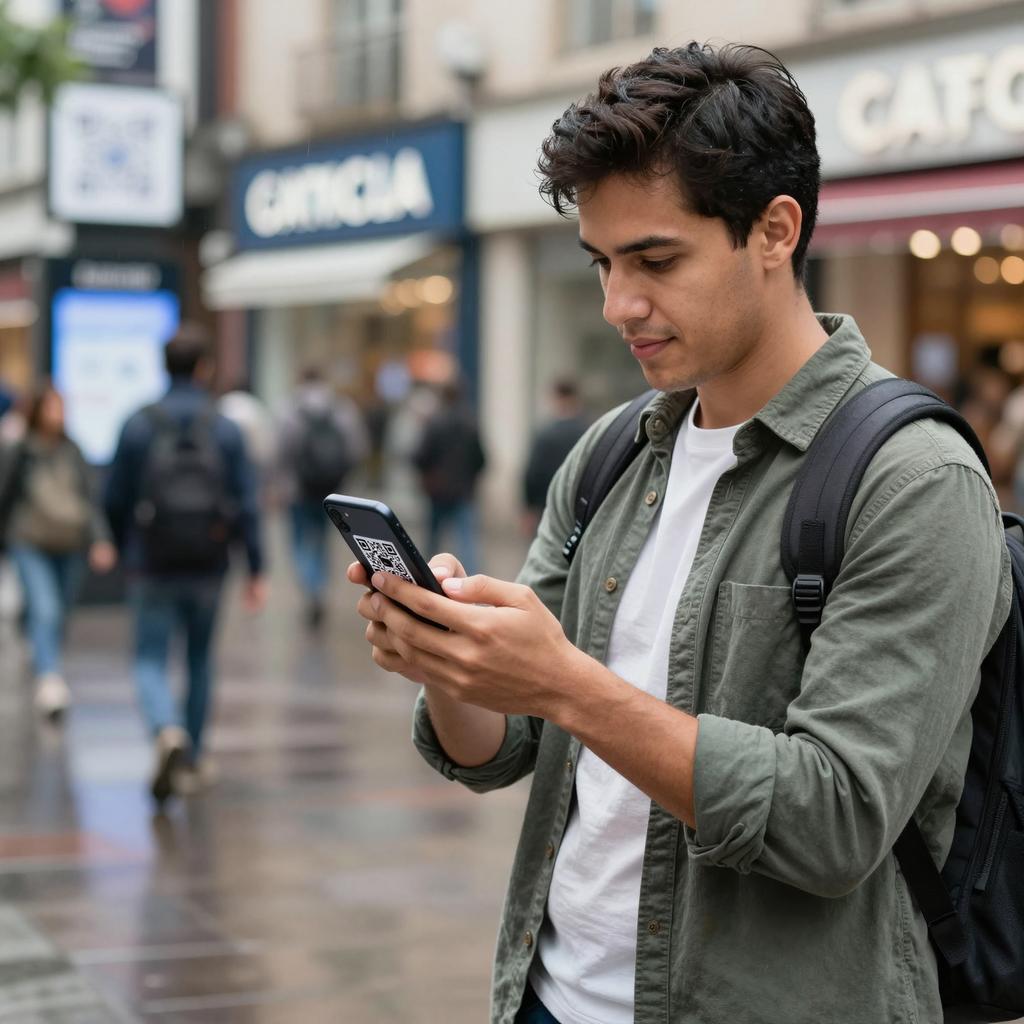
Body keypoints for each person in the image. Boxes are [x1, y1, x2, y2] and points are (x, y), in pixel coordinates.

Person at [347, 43, 1011, 1024]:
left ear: (775, 231)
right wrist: (455, 660)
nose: (620, 304)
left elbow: (834, 819)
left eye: (655, 259)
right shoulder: (614, 450)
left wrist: (563, 681)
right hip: (546, 995)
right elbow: (501, 748)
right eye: (603, 263)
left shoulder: (911, 477)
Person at [105, 324, 267, 807]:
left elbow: (114, 496)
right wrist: (256, 567)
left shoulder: (138, 423)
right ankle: (193, 756)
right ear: (204, 369)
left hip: (151, 561)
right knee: (199, 659)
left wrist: (122, 546)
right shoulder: (224, 426)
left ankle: (165, 729)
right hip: (209, 561)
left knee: (149, 657)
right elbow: (247, 502)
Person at [0, 382, 117, 718]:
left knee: (59, 611)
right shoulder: (20, 451)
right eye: (51, 407)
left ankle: (42, 652)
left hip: (69, 542)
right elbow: (5, 495)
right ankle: (49, 678)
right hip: (29, 541)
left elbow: (89, 499)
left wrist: (100, 539)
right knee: (46, 607)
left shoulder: (72, 450)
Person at [277, 367, 369, 629]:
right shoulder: (342, 409)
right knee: (322, 541)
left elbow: (280, 452)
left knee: (298, 541)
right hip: (331, 491)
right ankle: (319, 586)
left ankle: (310, 585)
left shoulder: (289, 409)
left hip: (296, 490)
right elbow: (357, 450)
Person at [412, 378, 487, 575]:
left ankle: (428, 577)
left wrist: (428, 476)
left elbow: (420, 456)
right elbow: (481, 459)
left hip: (438, 490)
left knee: (433, 540)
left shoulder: (435, 423)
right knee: (467, 541)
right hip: (463, 491)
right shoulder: (471, 423)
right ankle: (470, 583)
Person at [522, 379, 589, 535]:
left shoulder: (545, 434)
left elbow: (532, 473)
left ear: (556, 398)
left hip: (547, 508)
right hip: (582, 507)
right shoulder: (588, 430)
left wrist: (528, 507)